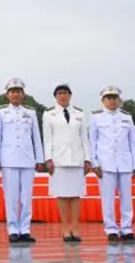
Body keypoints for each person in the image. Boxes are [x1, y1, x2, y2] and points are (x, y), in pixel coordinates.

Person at [0, 77, 44, 243]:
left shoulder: (30, 112)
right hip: (8, 159)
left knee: (26, 197)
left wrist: (39, 159)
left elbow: (36, 136)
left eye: (18, 91)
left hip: (27, 159)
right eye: (12, 91)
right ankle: (13, 229)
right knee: (11, 197)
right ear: (7, 95)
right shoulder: (0, 112)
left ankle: (25, 229)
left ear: (23, 94)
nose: (15, 94)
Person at [89, 85, 135, 243]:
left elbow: (133, 142)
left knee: (127, 198)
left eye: (114, 98)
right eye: (108, 98)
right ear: (103, 101)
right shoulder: (96, 118)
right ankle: (111, 229)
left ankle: (126, 229)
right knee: (108, 198)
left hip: (125, 162)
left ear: (119, 100)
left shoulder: (127, 117)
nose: (112, 101)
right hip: (106, 164)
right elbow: (92, 141)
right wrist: (94, 162)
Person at [42, 83, 91, 242]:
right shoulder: (49, 114)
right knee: (62, 196)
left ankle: (75, 228)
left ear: (70, 95)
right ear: (55, 97)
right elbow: (47, 139)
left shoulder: (80, 114)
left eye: (65, 93)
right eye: (59, 93)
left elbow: (84, 138)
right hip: (59, 160)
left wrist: (87, 159)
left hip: (77, 159)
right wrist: (48, 158)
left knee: (76, 196)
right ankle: (65, 228)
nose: (63, 96)